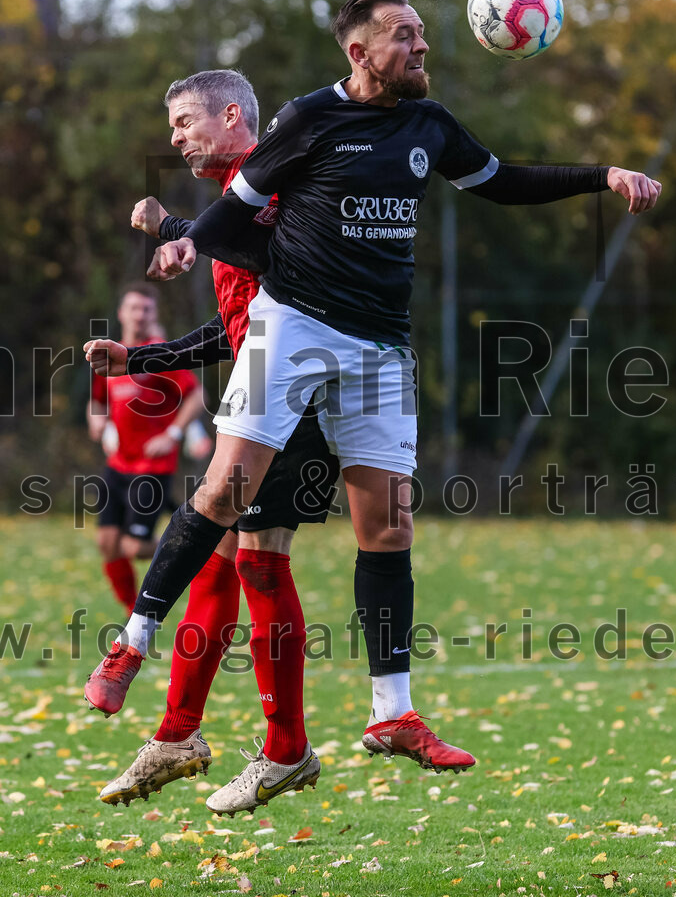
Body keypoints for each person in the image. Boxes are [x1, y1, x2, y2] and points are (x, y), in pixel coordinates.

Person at [85, 71, 471, 816]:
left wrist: (175, 230)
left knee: (249, 560)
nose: (175, 136)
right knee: (232, 564)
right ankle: (192, 737)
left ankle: (265, 744)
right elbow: (233, 329)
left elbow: (281, 272)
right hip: (278, 386)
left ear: (233, 116)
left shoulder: (274, 188)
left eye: (185, 121)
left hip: (305, 398)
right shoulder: (240, 197)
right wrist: (139, 358)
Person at [86, 284, 205, 615]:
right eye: (134, 308)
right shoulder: (111, 354)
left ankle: (195, 549)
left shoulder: (160, 353)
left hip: (151, 468)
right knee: (107, 543)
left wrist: (172, 434)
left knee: (134, 547)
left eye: (147, 310)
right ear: (121, 313)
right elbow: (97, 402)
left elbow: (196, 397)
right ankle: (130, 610)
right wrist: (97, 421)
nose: (140, 315)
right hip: (117, 465)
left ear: (154, 315)